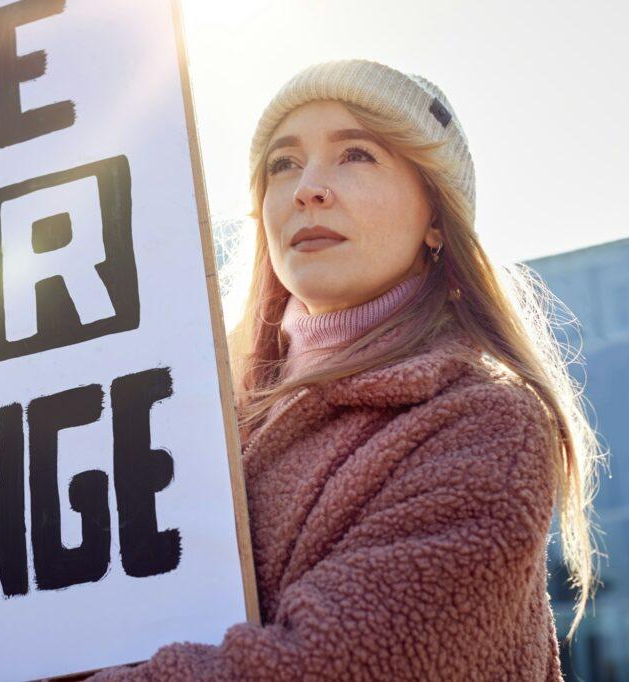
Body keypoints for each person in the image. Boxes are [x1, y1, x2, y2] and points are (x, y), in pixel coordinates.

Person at [87, 59, 605, 680]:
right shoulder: (191, 416)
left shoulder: (485, 419)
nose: (307, 188)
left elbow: (327, 664)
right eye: (283, 164)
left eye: (356, 155)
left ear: (435, 216)